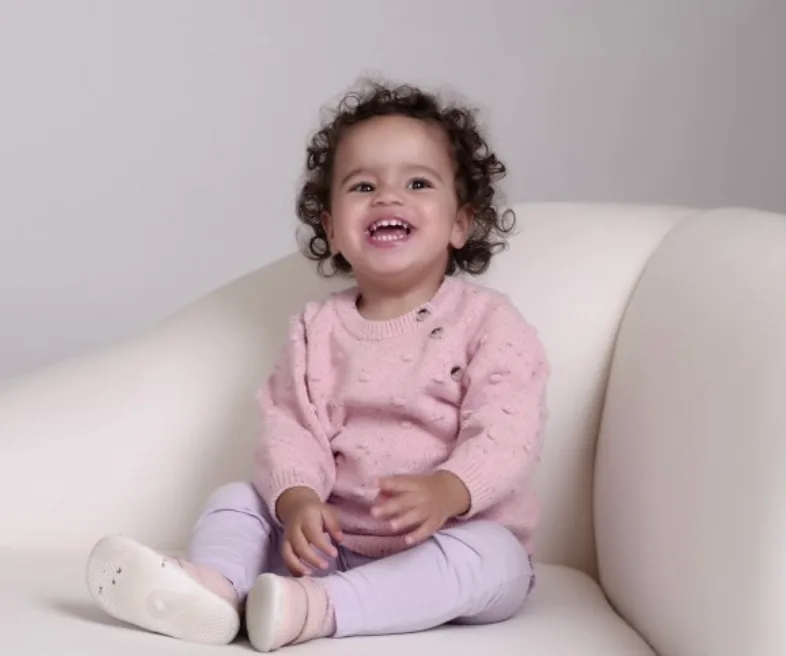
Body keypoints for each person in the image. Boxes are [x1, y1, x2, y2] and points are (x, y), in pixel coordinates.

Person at [85, 79, 550, 652]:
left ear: (460, 222)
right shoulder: (316, 329)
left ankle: (318, 611)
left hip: (446, 539)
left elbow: (509, 432)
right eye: (362, 186)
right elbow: (290, 429)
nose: (387, 197)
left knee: (494, 558)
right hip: (329, 546)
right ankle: (216, 592)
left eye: (418, 182)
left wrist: (449, 490)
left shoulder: (488, 323)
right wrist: (298, 499)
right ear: (331, 227)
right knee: (237, 499)